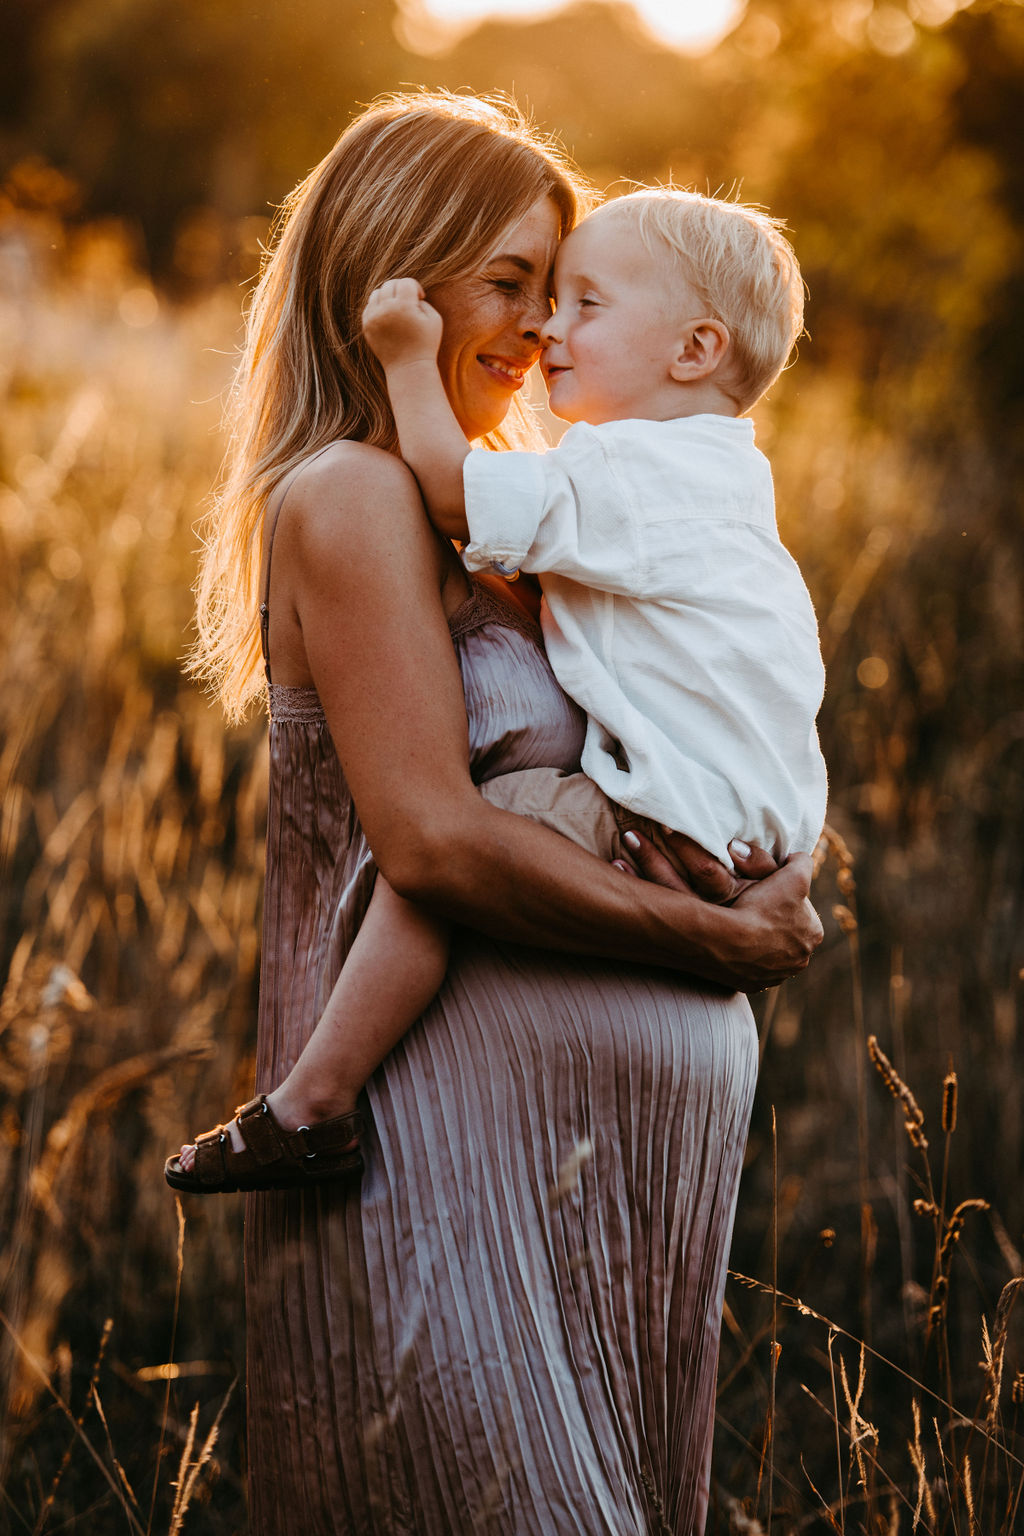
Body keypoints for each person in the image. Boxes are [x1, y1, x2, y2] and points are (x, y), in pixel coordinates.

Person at [164, 90, 822, 1534]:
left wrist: (767, 864)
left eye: (561, 291)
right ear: (394, 272)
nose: (535, 331)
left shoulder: (555, 514)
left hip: (607, 1183)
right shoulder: (350, 494)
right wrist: (705, 945)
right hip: (445, 1149)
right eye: (510, 283)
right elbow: (437, 845)